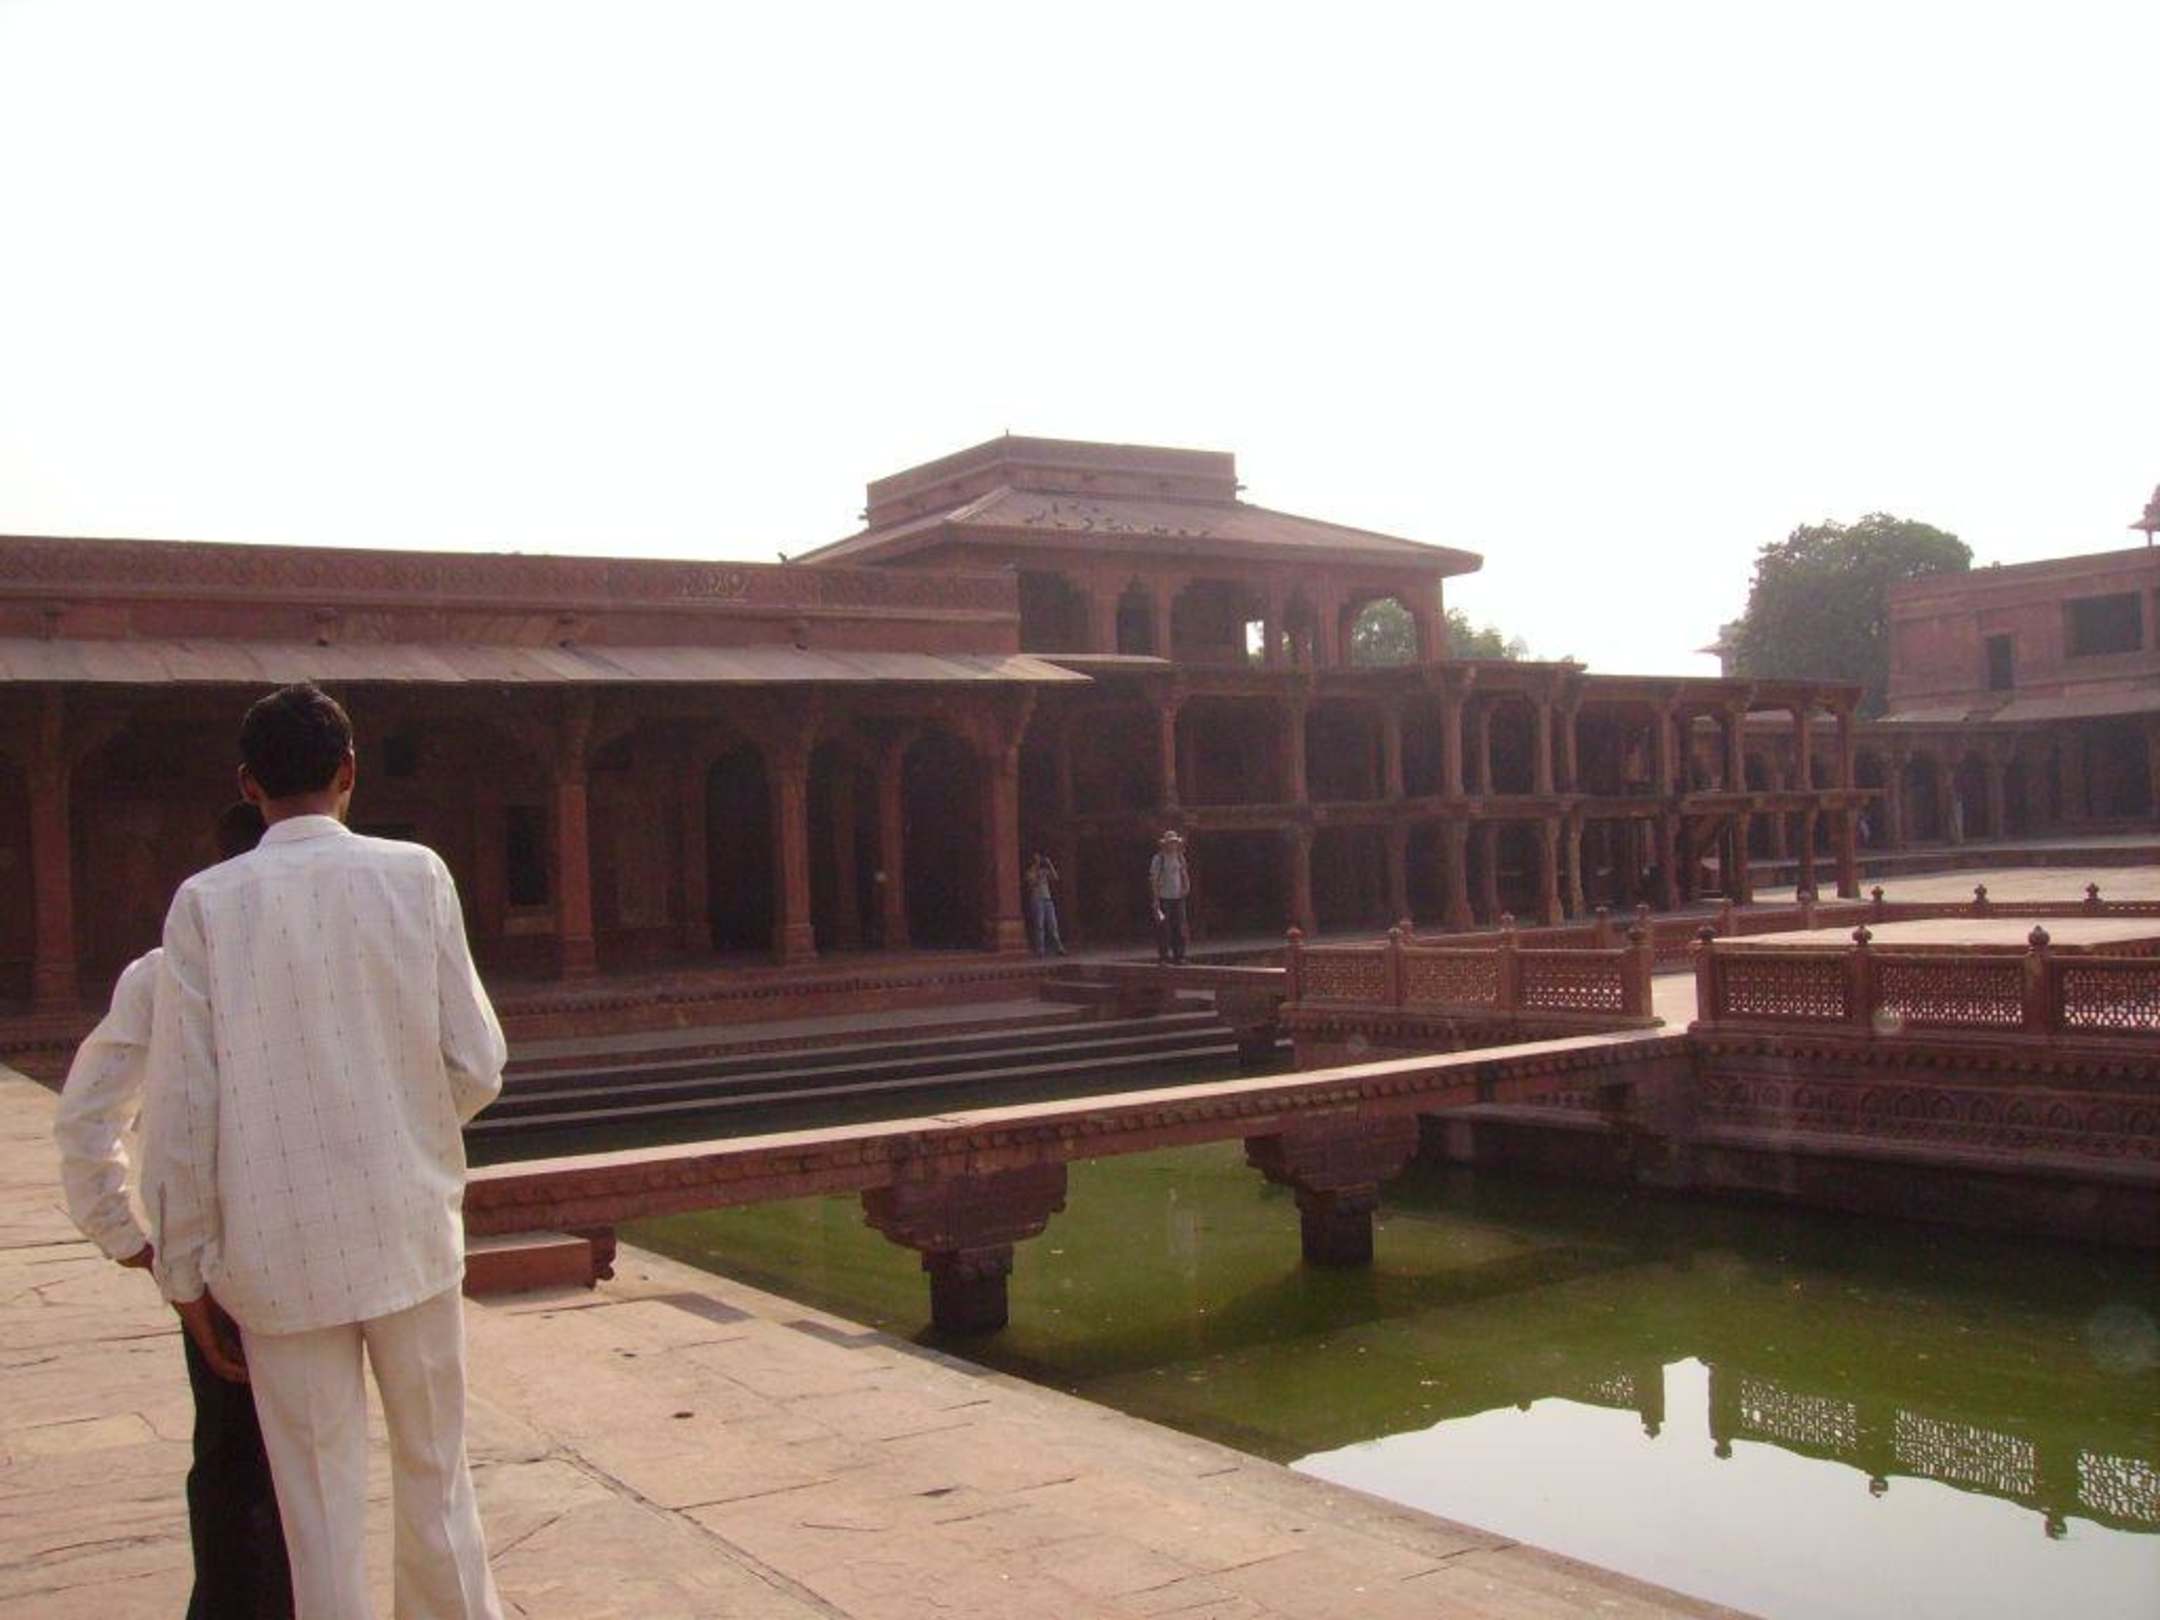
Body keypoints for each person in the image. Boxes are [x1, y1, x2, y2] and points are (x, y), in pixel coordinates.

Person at [142, 682, 508, 1620]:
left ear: (248, 784)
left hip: (277, 1249)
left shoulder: (206, 905)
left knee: (317, 1513)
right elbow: (476, 1062)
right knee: (438, 1480)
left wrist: (185, 1270)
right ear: (349, 772)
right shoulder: (415, 875)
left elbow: (183, 1111)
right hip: (406, 1231)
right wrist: (399, 1131)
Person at [55, 801, 290, 1620]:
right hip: (333, 1252)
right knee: (306, 1461)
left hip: (219, 1256)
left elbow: (88, 1115)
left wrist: (132, 1241)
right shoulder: (335, 964)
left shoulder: (165, 973)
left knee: (236, 1459)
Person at [1148, 829, 1191, 964]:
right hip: (1163, 897)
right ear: (1165, 844)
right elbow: (1154, 879)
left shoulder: (1179, 857)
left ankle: (1180, 955)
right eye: (1170, 843)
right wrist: (1155, 899)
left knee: (1180, 926)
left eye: (1174, 842)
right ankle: (1164, 956)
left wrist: (1186, 886)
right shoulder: (1159, 859)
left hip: (1178, 897)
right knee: (1164, 927)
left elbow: (1183, 872)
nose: (1173, 845)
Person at [1024, 852, 1065, 956]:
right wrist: (1037, 871)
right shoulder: (1029, 872)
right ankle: (1040, 950)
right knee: (1039, 925)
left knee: (1053, 924)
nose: (1038, 860)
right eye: (1036, 859)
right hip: (1037, 900)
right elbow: (1031, 883)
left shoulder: (1044, 871)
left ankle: (1059, 947)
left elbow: (1055, 877)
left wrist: (1050, 864)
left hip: (1047, 899)